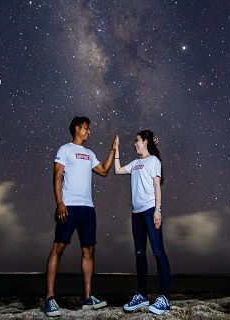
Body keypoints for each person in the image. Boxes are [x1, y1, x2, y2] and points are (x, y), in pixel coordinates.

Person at [43, 116, 118, 317]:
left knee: (89, 250)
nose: (89, 132)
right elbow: (57, 177)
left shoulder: (89, 153)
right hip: (69, 206)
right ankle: (50, 299)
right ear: (77, 129)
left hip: (87, 208)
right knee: (58, 247)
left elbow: (103, 171)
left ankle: (88, 298)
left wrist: (112, 151)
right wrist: (59, 202)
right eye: (86, 128)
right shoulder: (64, 150)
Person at [114, 129, 171, 315]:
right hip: (136, 214)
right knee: (139, 254)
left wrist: (158, 210)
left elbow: (157, 185)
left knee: (158, 252)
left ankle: (164, 298)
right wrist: (116, 150)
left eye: (137, 140)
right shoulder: (136, 163)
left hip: (149, 211)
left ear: (145, 141)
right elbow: (118, 170)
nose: (135, 143)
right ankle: (142, 295)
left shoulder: (154, 161)